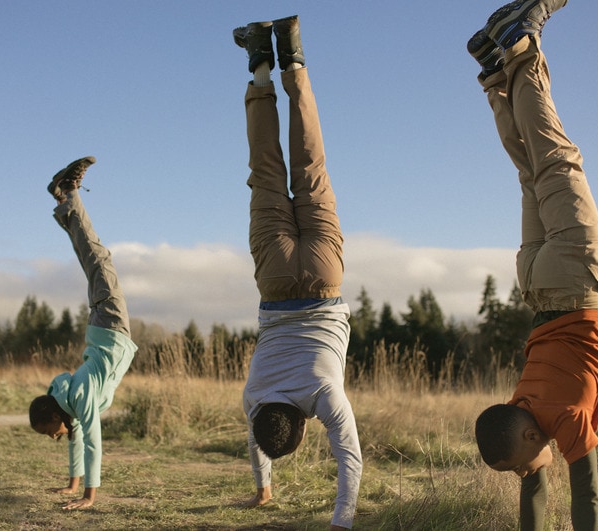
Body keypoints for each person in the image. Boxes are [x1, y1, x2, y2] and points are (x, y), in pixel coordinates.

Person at [468, 1, 598, 530]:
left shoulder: (567, 422)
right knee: (532, 173)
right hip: (532, 281)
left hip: (573, 284)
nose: (522, 476)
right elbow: (531, 482)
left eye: (517, 467)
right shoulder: (520, 409)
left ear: (531, 437)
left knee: (556, 161)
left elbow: (589, 501)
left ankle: (521, 45)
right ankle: (495, 75)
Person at [233, 15, 363, 531]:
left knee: (311, 166)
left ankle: (297, 60)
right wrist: (260, 482)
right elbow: (254, 432)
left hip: (325, 279)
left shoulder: (324, 398)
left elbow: (350, 461)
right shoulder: (253, 398)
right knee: (265, 170)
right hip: (274, 279)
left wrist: (341, 523)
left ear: (305, 431)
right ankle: (262, 65)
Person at [29, 156, 138, 510]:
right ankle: (63, 199)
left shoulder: (82, 395)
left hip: (111, 326)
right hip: (103, 330)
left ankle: (68, 193)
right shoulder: (70, 401)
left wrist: (89, 497)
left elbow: (92, 441)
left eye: (51, 431)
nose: (55, 436)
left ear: (55, 416)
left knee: (97, 258)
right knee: (89, 258)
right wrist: (72, 485)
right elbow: (77, 437)